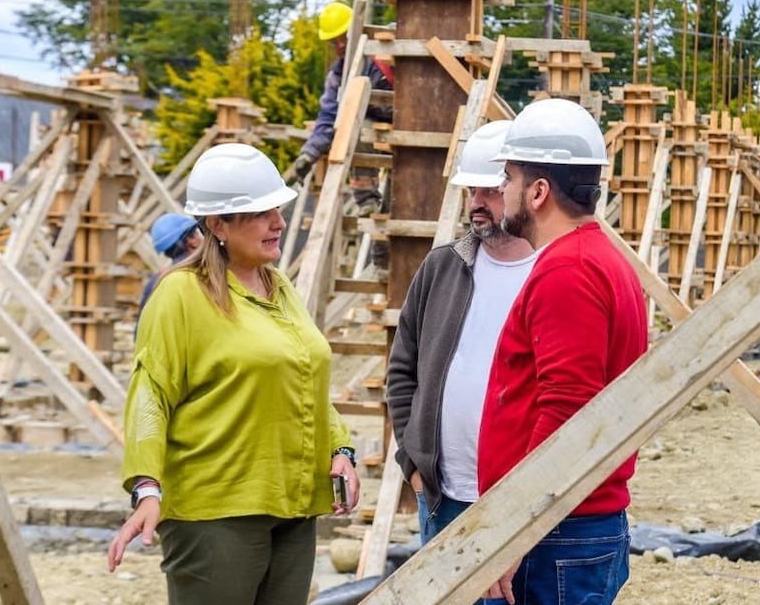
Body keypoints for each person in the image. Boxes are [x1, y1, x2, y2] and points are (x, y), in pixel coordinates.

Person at [107, 142, 361, 605]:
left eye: (277, 210)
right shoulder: (181, 295)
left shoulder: (278, 286)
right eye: (260, 213)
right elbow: (150, 394)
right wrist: (146, 487)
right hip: (215, 512)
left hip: (293, 503)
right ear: (217, 225)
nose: (278, 222)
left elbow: (303, 377)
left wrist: (340, 449)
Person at [477, 99, 648, 605]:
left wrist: (513, 532)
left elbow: (566, 411)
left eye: (508, 178)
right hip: (568, 526)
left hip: (555, 533)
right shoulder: (597, 259)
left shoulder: (568, 270)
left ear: (538, 191)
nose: (501, 190)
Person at [386, 120, 535, 546]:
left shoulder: (550, 272)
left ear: (523, 192)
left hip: (520, 495)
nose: (476, 204)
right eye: (472, 191)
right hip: (443, 496)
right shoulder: (443, 267)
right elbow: (402, 370)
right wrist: (414, 465)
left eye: (489, 191)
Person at [290, 1, 394, 219]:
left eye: (343, 38)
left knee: (402, 203)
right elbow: (329, 116)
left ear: (356, 30)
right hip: (372, 135)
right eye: (333, 42)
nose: (339, 46)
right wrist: (309, 153)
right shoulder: (338, 76)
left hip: (409, 128)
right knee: (356, 127)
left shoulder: (384, 55)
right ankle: (367, 200)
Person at [137, 212, 202, 322]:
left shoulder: (155, 281)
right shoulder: (204, 274)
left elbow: (140, 326)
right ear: (192, 240)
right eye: (197, 233)